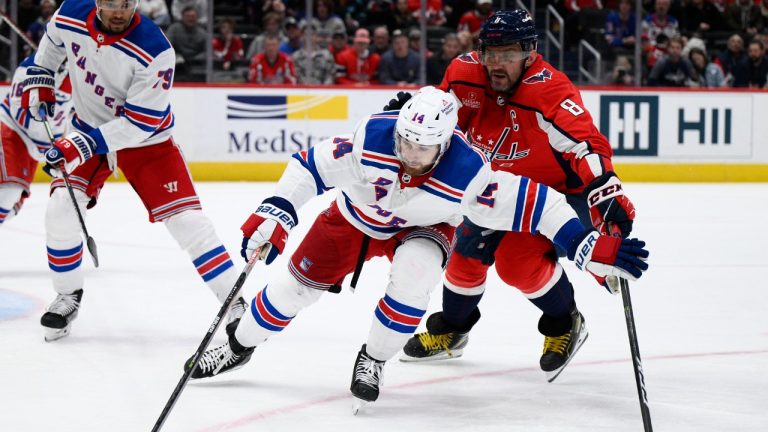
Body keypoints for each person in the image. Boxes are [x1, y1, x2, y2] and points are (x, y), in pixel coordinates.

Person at [184, 87, 649, 411]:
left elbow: (537, 203)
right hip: (352, 219)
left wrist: (583, 243)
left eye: (422, 148)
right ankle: (238, 346)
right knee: (290, 292)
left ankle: (374, 359)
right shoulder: (372, 138)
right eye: (405, 141)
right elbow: (309, 166)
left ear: (445, 145)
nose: (409, 154)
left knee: (415, 280)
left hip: (422, 230)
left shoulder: (469, 173)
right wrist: (278, 211)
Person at [392, 9, 637, 382]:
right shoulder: (463, 74)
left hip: (554, 194)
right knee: (463, 260)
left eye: (508, 54)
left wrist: (605, 190)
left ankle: (563, 324)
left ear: (529, 52)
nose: (497, 64)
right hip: (498, 191)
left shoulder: (549, 89)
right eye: (491, 53)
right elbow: (440, 115)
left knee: (517, 262)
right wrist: (413, 116)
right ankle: (452, 332)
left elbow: (585, 144)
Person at [20, 0, 245, 341]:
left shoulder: (155, 50)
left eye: (126, 4)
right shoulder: (70, 12)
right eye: (111, 4)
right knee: (61, 210)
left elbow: (139, 123)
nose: (119, 12)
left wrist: (79, 145)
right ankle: (67, 296)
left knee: (189, 224)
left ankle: (236, 303)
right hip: (87, 127)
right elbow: (51, 43)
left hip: (148, 142)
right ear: (97, 2)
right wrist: (42, 77)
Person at [1, 57, 72, 227]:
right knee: (9, 192)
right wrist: (36, 111)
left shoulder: (83, 72)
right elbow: (17, 108)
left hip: (39, 148)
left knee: (12, 205)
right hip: (14, 131)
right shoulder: (34, 64)